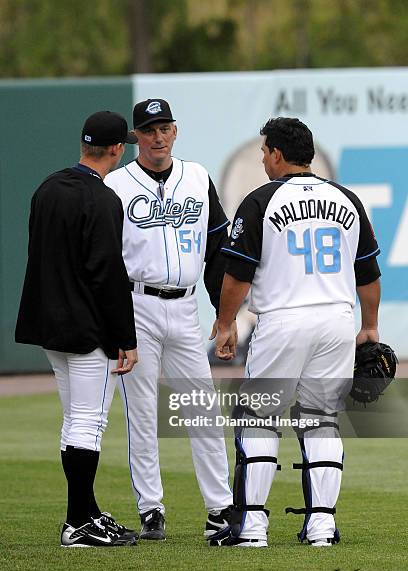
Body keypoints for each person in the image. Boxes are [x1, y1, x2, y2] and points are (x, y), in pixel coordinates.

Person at [213, 117, 381, 547]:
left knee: (258, 420)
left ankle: (251, 527)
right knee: (321, 420)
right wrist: (370, 327)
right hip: (337, 320)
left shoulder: (261, 201)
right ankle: (321, 527)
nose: (263, 158)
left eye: (265, 151)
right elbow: (368, 273)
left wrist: (226, 322)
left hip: (284, 320)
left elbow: (237, 274)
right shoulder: (346, 199)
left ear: (278, 155)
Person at [104, 98, 233, 540]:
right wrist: (116, 321)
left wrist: (223, 313)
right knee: (141, 414)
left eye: (165, 128)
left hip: (184, 305)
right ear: (135, 136)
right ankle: (151, 509)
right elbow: (104, 258)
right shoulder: (117, 184)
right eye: (149, 129)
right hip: (136, 305)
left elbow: (217, 248)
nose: (158, 136)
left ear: (175, 131)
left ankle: (220, 508)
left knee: (203, 411)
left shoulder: (197, 177)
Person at [15, 111, 139, 547]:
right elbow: (107, 272)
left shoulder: (48, 188)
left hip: (51, 325)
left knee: (74, 423)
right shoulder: (103, 200)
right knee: (88, 424)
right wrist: (125, 336)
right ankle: (77, 523)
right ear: (116, 149)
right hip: (87, 329)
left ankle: (86, 512)